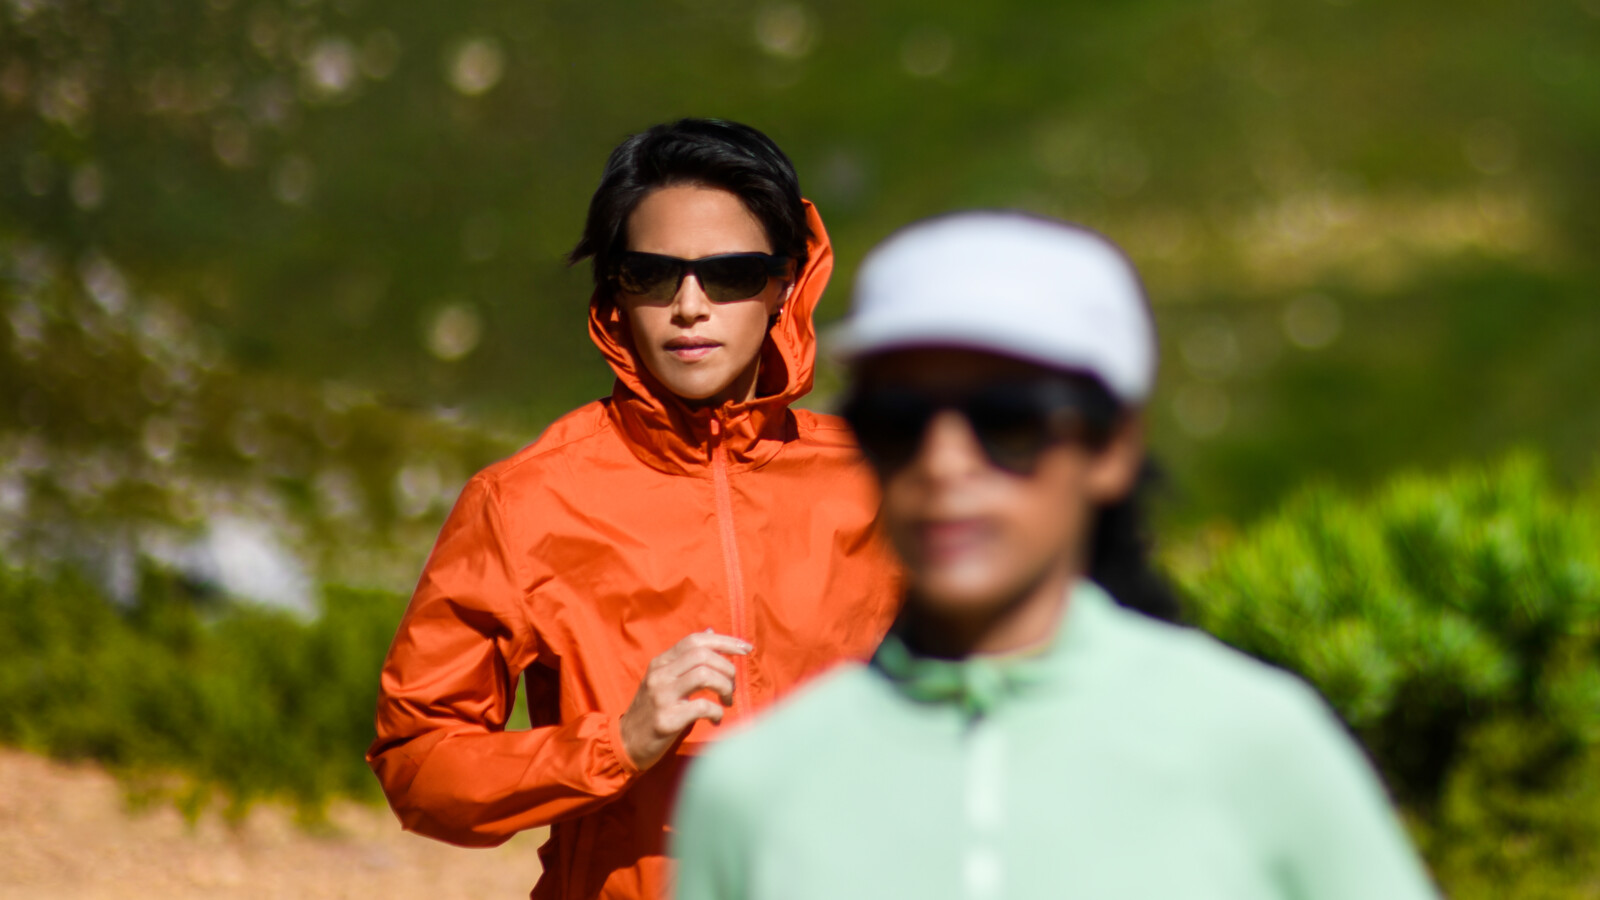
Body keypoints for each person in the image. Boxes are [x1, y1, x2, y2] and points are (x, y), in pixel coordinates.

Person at [670, 211, 1439, 900]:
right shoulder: (750, 790)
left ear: (1111, 447)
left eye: (1008, 422)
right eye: (899, 420)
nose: (945, 461)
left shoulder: (1260, 746)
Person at [367, 118, 900, 900]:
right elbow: (419, 763)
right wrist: (615, 743)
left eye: (731, 273)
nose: (690, 305)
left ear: (785, 283)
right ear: (613, 291)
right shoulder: (526, 501)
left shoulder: (886, 484)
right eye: (653, 274)